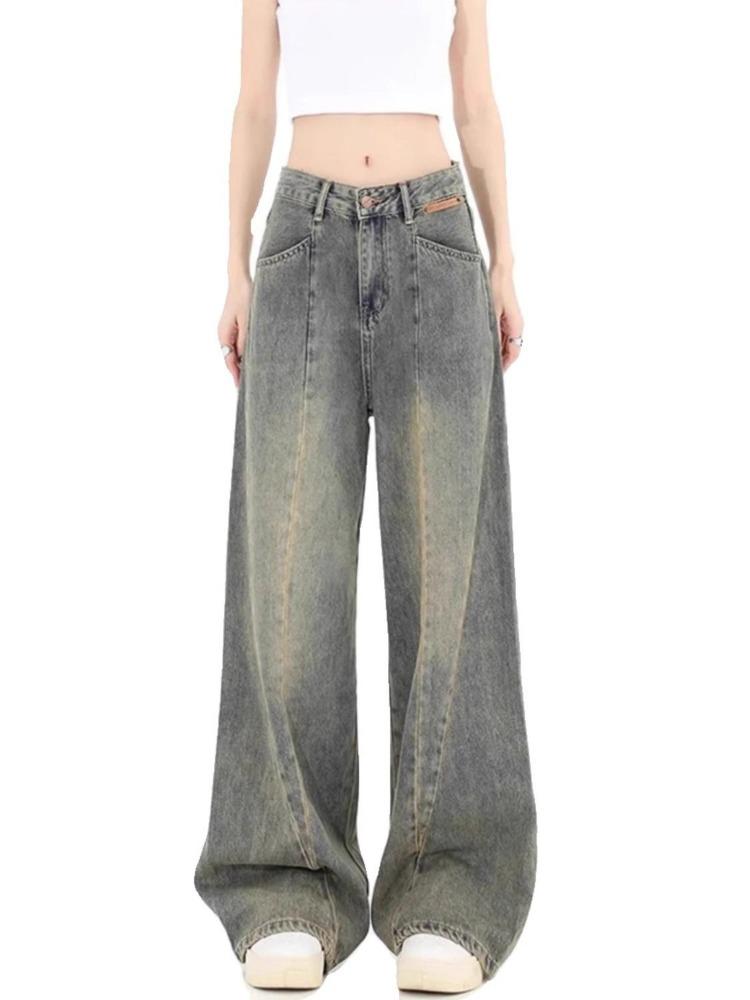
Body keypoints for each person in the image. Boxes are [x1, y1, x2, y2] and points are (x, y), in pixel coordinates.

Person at [194, 0, 536, 992]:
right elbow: (254, 100)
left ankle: (452, 886)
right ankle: (289, 883)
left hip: (437, 232)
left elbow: (475, 98)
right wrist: (233, 265)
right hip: (301, 242)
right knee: (289, 575)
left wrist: (507, 259)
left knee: (449, 576)